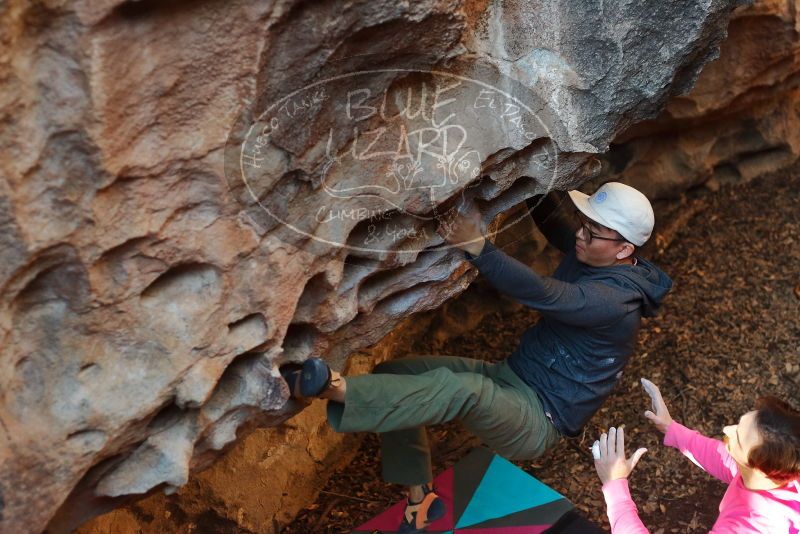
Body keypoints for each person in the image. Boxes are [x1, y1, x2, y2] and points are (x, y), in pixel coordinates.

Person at [282, 182, 672, 533]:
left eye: (592, 231)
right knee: (397, 372)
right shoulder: (599, 252)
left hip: (539, 418)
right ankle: (420, 506)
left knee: (462, 390)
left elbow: (546, 294)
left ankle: (328, 387)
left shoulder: (613, 302)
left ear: (624, 249)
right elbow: (557, 224)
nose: (581, 235)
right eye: (583, 223)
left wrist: (478, 247)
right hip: (512, 375)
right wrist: (535, 179)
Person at [593, 378, 800, 532]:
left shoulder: (746, 527)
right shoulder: (782, 470)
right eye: (738, 423)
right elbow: (728, 462)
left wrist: (615, 487)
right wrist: (672, 429)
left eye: (737, 437)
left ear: (761, 470)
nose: (727, 429)